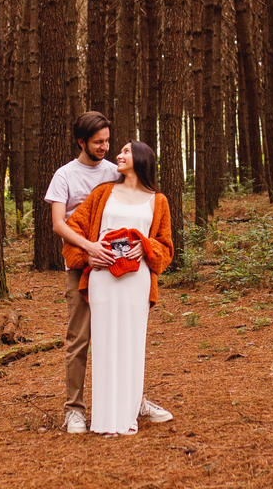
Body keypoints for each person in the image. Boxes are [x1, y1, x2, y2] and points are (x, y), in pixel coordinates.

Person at [46, 113, 173, 434]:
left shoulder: (115, 173)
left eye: (109, 142)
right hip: (84, 265)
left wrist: (144, 247)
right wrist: (89, 249)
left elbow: (155, 230)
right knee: (80, 339)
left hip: (129, 275)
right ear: (82, 142)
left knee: (127, 337)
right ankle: (74, 410)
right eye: (98, 142)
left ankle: (133, 401)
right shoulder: (65, 175)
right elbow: (60, 224)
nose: (107, 148)